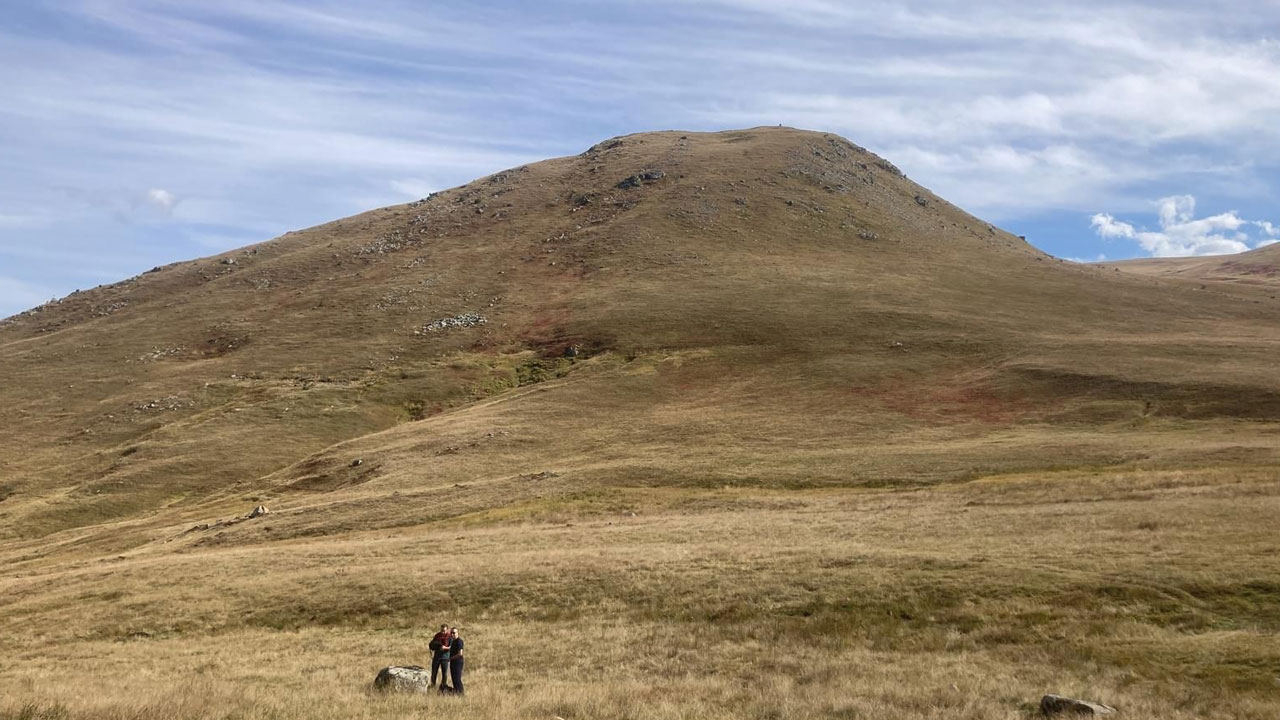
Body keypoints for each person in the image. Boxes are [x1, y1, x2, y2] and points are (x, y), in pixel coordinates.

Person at [429, 624, 451, 689]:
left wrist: (445, 648)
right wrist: (437, 646)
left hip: (445, 657)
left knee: (444, 673)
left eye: (444, 631)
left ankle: (443, 687)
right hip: (437, 657)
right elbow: (432, 644)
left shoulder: (450, 637)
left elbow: (452, 647)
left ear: (447, 630)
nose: (443, 632)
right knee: (434, 672)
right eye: (441, 630)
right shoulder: (437, 636)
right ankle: (433, 685)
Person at [447, 627, 465, 695]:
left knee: (457, 679)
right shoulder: (453, 641)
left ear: (457, 633)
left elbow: (460, 653)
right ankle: (457, 693)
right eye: (451, 633)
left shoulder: (459, 641)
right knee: (454, 679)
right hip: (453, 662)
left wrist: (451, 658)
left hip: (458, 662)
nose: (452, 634)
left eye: (454, 633)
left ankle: (461, 694)